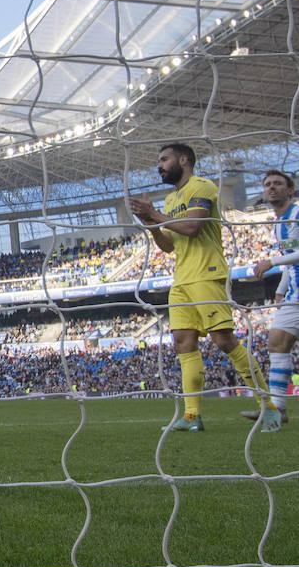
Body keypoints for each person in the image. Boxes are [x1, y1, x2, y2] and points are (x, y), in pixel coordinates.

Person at [128, 143, 271, 431]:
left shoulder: (202, 187)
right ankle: (192, 416)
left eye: (164, 159)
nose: (159, 165)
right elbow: (168, 246)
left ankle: (268, 407)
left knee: (224, 341)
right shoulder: (170, 200)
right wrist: (152, 224)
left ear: (184, 160)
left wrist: (157, 216)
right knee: (183, 342)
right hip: (181, 279)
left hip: (207, 274)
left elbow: (194, 227)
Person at [242, 170, 299, 431]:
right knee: (277, 340)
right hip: (295, 293)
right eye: (267, 184)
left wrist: (271, 262)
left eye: (278, 184)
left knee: (278, 340)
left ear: (290, 190)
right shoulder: (279, 223)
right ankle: (277, 408)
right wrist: (281, 287)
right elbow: (292, 260)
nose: (272, 188)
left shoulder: (297, 214)